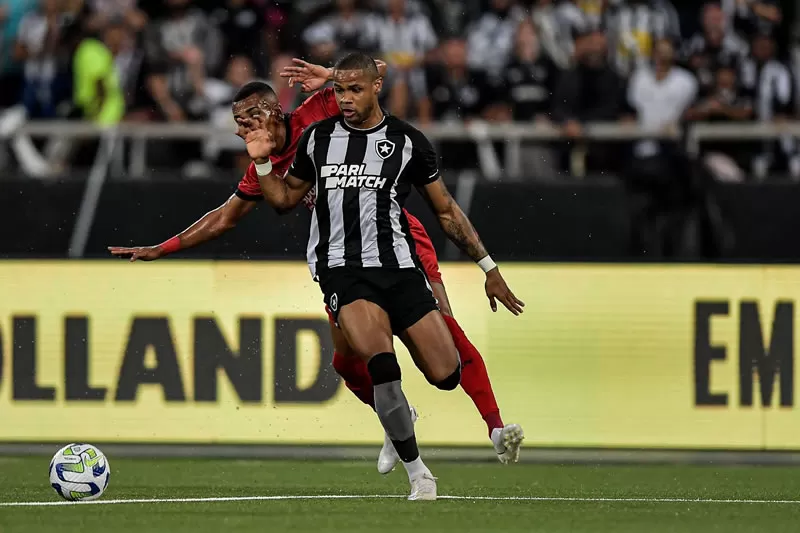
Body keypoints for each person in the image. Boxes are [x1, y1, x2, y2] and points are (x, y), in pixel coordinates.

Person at [108, 56, 524, 490]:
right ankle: (408, 446)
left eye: (247, 119)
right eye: (237, 122)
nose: (240, 129)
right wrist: (163, 247)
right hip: (340, 261)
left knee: (444, 354)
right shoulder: (282, 155)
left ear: (271, 112)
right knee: (354, 363)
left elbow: (371, 67)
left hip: (401, 241)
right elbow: (227, 217)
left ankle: (487, 424)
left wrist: (332, 77)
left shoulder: (324, 110)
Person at [248, 52, 524, 501]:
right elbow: (283, 200)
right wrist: (262, 165)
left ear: (377, 87)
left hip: (399, 268)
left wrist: (488, 267)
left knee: (445, 372)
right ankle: (419, 473)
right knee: (382, 367)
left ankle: (436, 426)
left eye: (354, 89)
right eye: (339, 91)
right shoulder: (317, 139)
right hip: (343, 273)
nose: (346, 99)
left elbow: (446, 211)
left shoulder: (407, 141)